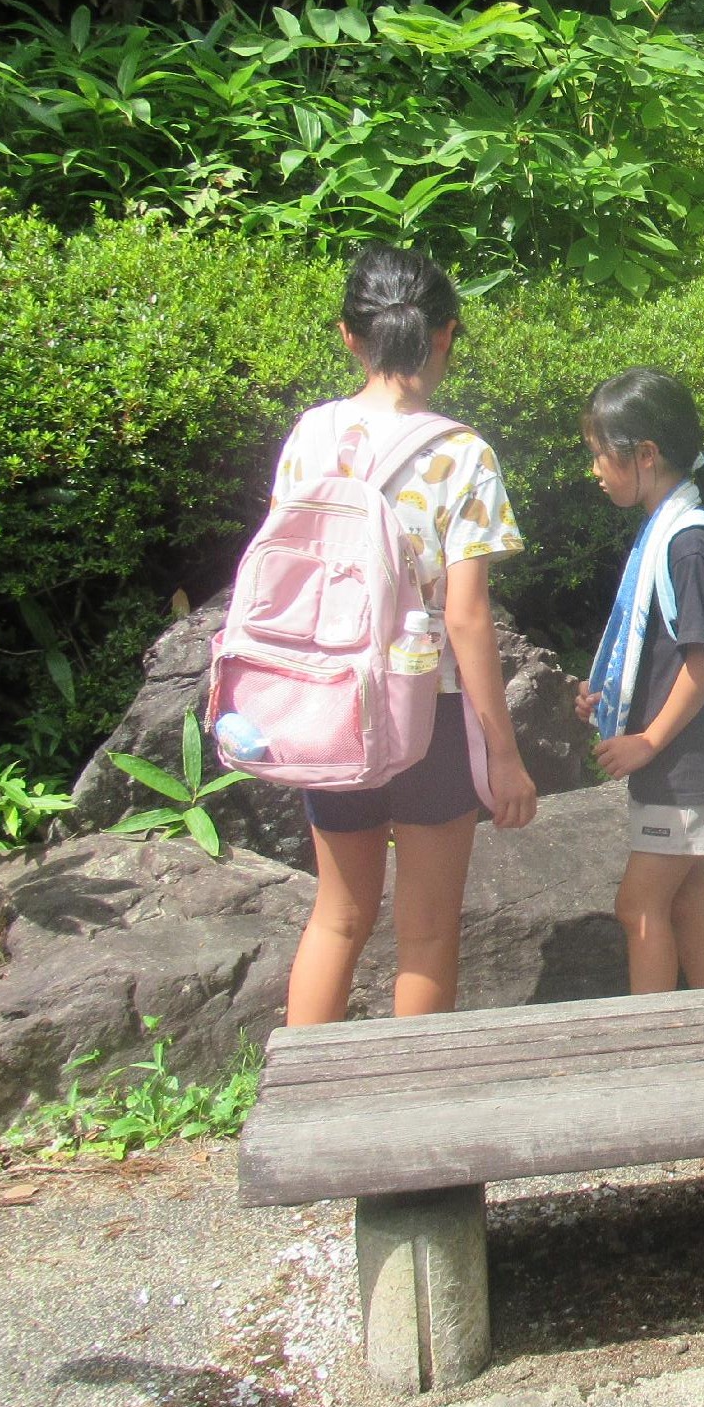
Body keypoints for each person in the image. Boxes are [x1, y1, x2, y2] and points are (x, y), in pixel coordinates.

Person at [279, 245, 538, 1028]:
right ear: (445, 335)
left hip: (332, 701)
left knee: (337, 916)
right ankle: (414, 1091)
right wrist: (503, 753)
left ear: (348, 336)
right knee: (426, 931)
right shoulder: (463, 454)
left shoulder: (310, 436)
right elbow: (466, 616)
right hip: (431, 706)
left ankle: (304, 1090)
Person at [575, 367, 704, 994]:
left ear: (645, 454)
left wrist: (648, 739)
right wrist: (611, 697)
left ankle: (650, 1041)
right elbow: (661, 650)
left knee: (639, 907)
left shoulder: (689, 543)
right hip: (685, 764)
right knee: (684, 904)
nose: (595, 469)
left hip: (685, 766)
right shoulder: (673, 532)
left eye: (600, 453)